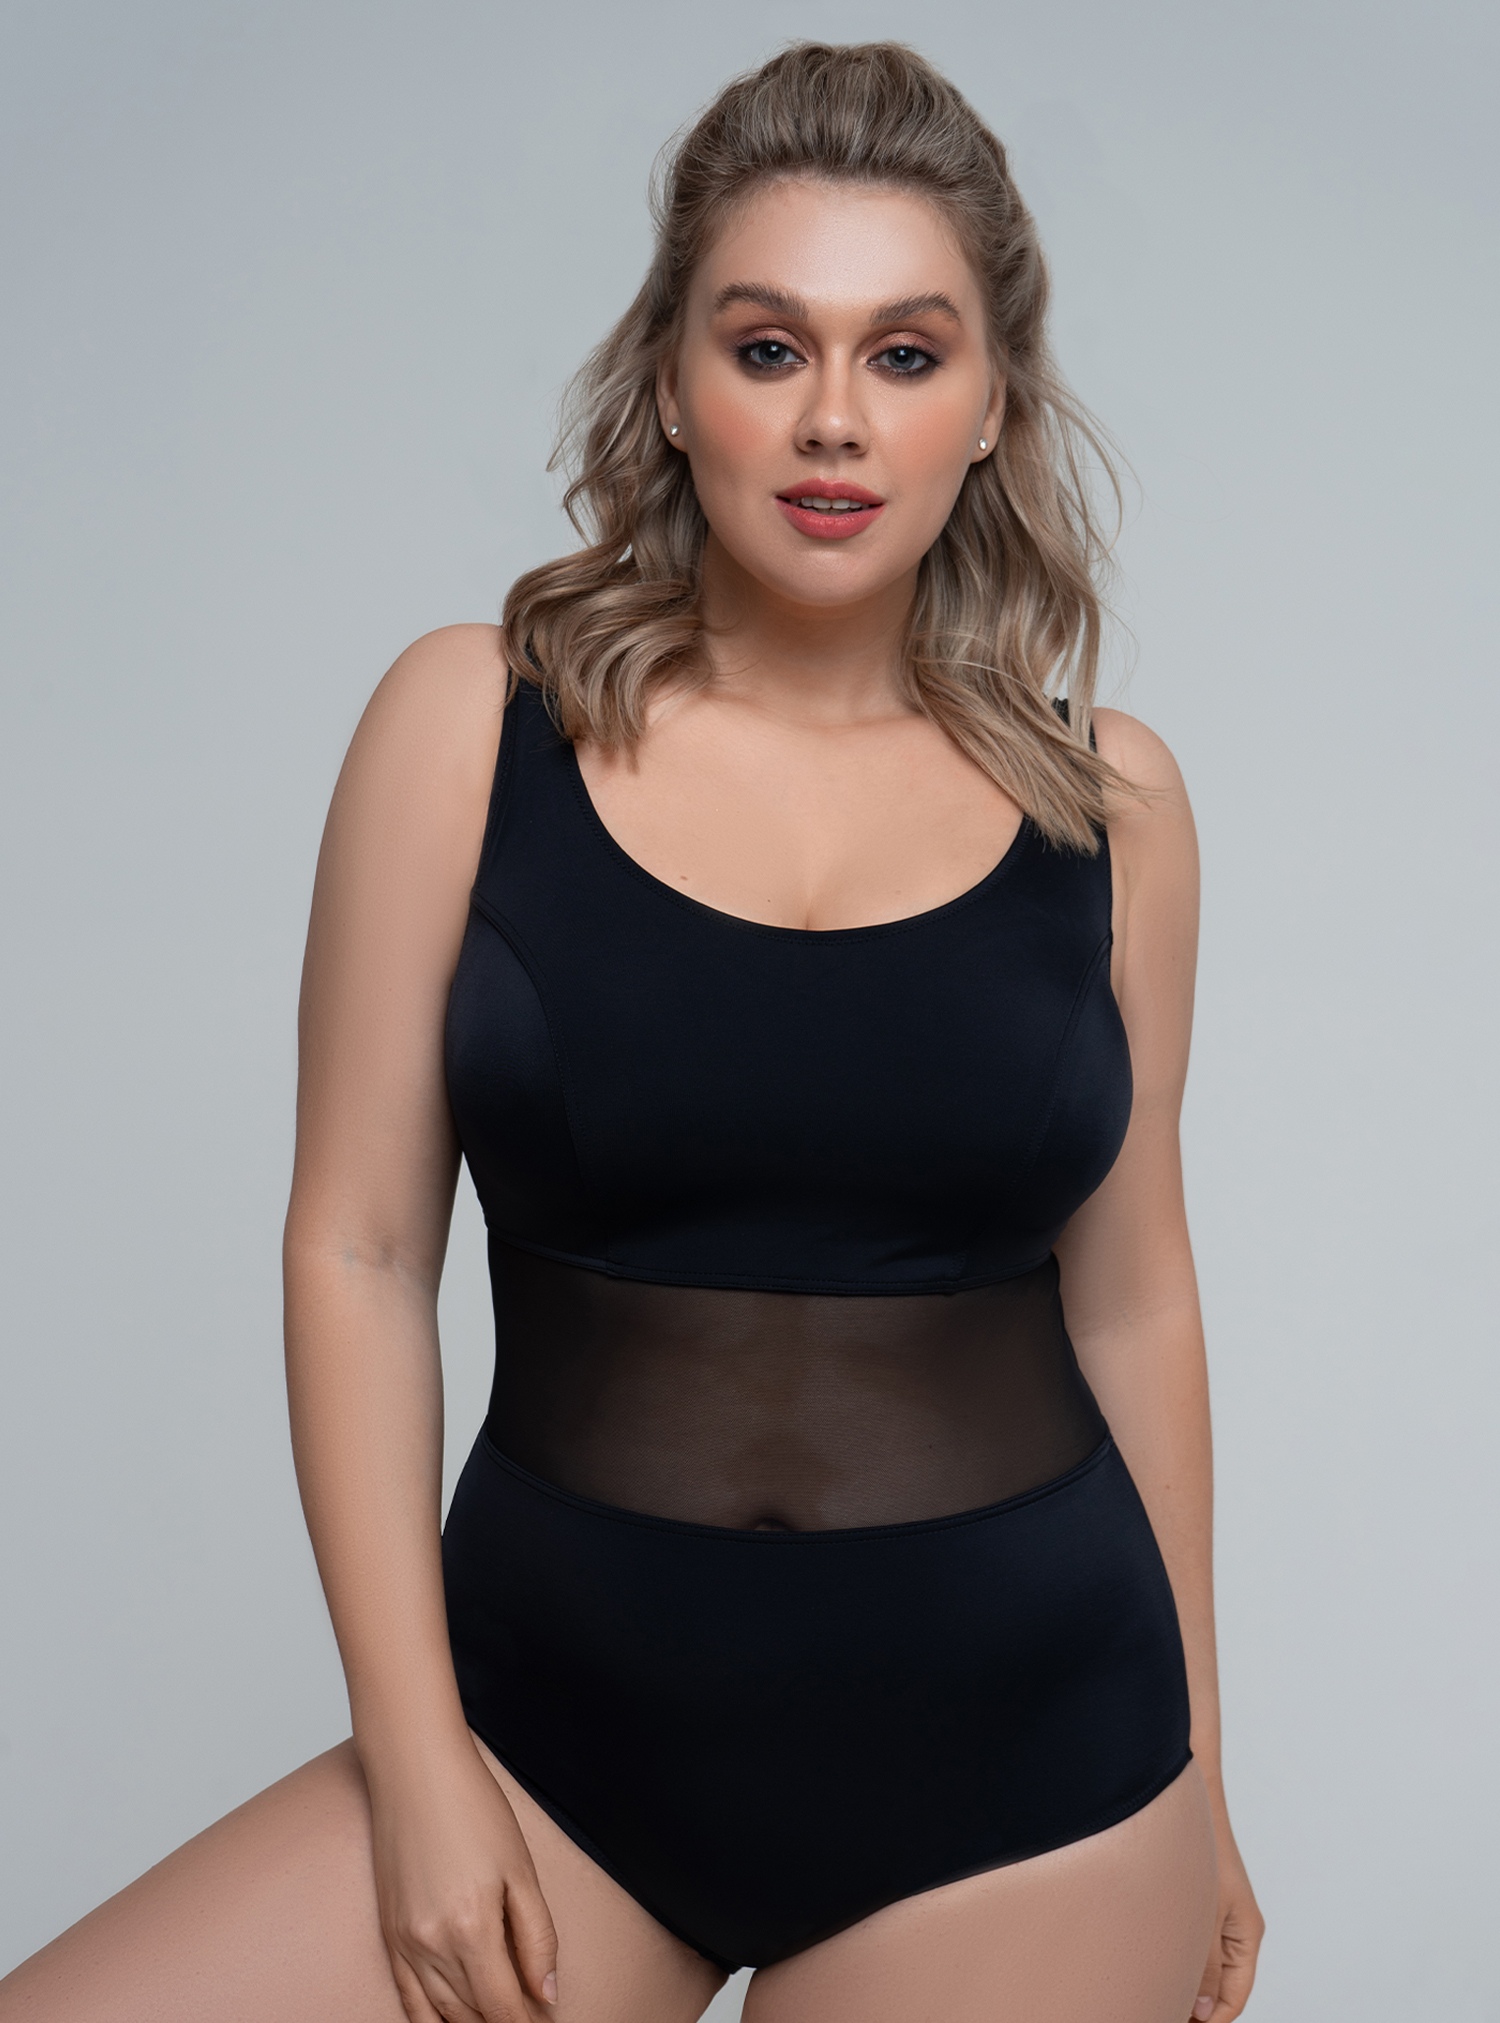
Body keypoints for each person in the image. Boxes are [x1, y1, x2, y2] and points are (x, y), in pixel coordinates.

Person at [0, 40, 1264, 2023]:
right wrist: (417, 1762)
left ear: (993, 403)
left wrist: (1206, 1780)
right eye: (768, 347)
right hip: (540, 1756)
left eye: (905, 354)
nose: (833, 417)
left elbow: (1136, 1304)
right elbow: (359, 1247)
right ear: (673, 382)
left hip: (1036, 1788)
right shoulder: (467, 726)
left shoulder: (1117, 809)